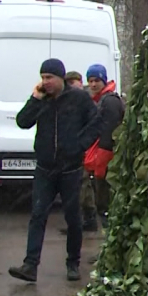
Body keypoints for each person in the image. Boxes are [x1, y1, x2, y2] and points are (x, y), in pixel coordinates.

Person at [9, 58, 100, 283]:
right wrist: (35, 99)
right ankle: (30, 265)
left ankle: (73, 262)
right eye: (43, 78)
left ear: (60, 78)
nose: (45, 82)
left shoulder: (78, 98)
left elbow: (97, 123)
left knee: (72, 218)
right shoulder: (42, 100)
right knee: (38, 215)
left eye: (49, 77)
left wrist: (80, 145)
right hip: (45, 168)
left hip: (70, 168)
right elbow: (22, 122)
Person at [83, 64, 123, 230]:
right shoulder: (102, 99)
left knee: (105, 200)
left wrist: (102, 159)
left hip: (106, 157)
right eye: (90, 81)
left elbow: (110, 132)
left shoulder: (110, 101)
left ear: (103, 80)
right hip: (103, 156)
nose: (93, 85)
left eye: (96, 80)